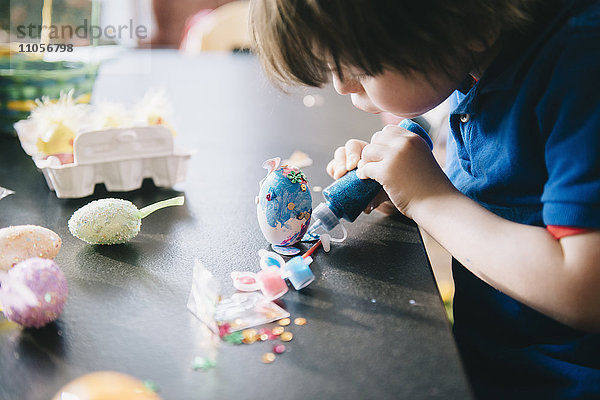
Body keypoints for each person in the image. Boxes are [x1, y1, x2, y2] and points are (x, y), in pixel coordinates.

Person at [249, 0, 600, 398]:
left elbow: (586, 289)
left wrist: (429, 199)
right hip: (487, 355)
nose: (341, 86)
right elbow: (510, 200)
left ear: (469, 20)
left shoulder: (582, 67)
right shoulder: (471, 59)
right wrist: (403, 190)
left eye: (359, 67)